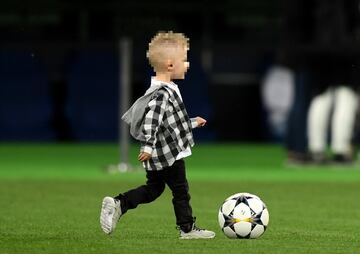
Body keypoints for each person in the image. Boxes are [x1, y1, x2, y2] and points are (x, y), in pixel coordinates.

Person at [99, 31, 215, 239]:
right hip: (168, 154)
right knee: (181, 191)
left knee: (154, 189)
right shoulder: (162, 94)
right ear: (170, 65)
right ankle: (187, 229)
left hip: (159, 154)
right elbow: (152, 121)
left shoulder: (166, 89)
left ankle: (119, 203)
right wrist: (148, 146)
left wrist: (193, 123)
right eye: (184, 60)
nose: (187, 65)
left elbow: (170, 124)